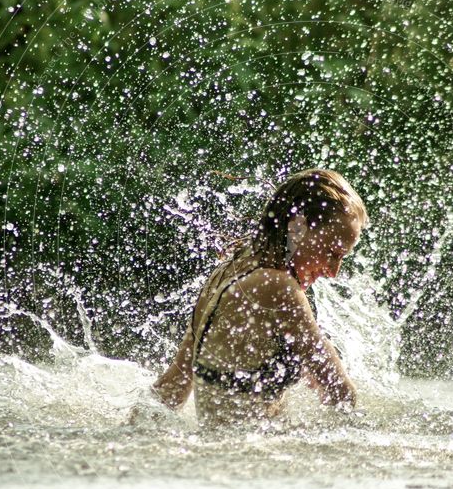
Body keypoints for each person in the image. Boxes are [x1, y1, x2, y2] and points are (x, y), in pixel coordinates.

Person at [152, 168, 369, 425]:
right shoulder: (278, 287)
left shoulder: (231, 270)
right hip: (254, 455)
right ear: (298, 229)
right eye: (333, 252)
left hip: (225, 454)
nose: (333, 272)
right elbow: (341, 393)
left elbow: (172, 385)